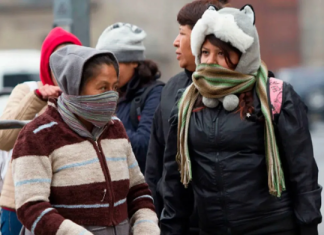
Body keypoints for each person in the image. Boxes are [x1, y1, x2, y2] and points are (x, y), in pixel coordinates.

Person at [160, 5, 322, 235]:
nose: (211, 61)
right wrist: (171, 229)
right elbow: (175, 181)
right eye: (205, 53)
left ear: (243, 55)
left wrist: (308, 226)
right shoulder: (187, 103)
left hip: (273, 229)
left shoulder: (276, 97)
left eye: (222, 54)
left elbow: (303, 174)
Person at [12, 45, 159, 235]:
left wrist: (146, 228)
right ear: (75, 88)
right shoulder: (37, 135)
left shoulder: (116, 128)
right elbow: (31, 207)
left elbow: (138, 190)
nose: (111, 96)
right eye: (103, 87)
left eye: (115, 87)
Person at [145, 0, 228, 219]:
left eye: (182, 34)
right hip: (176, 218)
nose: (175, 42)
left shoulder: (239, 91)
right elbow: (155, 162)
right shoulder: (171, 89)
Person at [0, 27, 82, 235]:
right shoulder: (27, 90)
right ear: (47, 64)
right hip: (19, 204)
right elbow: (3, 139)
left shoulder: (86, 98)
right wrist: (37, 99)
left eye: (72, 60)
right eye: (58, 60)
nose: (65, 67)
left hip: (70, 204)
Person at [96, 23, 164, 174]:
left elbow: (145, 146)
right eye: (102, 65)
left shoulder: (155, 94)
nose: (107, 71)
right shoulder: (106, 93)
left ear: (134, 61)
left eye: (114, 63)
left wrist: (104, 120)